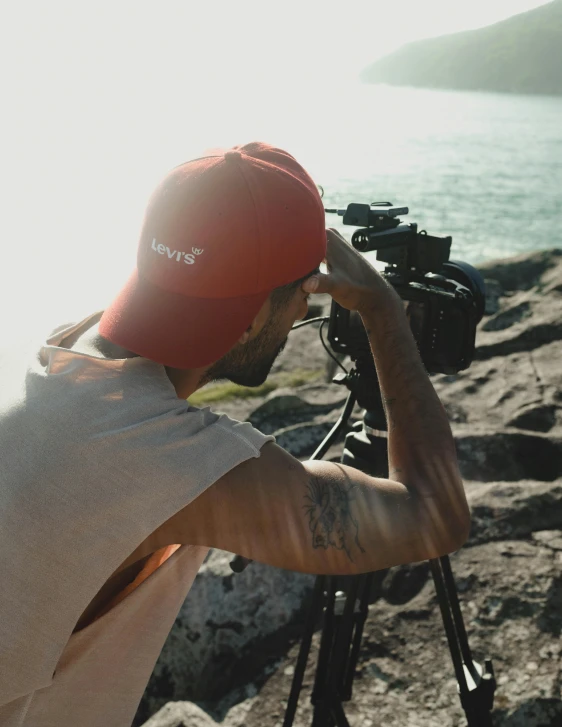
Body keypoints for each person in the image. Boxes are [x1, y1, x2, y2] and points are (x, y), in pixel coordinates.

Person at [0, 142, 470, 727]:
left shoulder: (51, 351)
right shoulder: (170, 460)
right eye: (306, 291)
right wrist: (382, 310)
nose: (304, 313)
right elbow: (435, 517)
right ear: (249, 318)